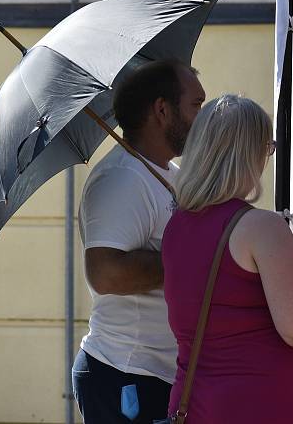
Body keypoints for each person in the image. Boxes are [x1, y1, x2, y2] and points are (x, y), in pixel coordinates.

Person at [162, 95, 293, 424]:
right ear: (248, 153)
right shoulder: (260, 227)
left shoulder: (176, 228)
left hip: (199, 402)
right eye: (267, 147)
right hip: (264, 404)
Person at [72, 59, 206, 423]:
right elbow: (105, 274)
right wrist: (190, 259)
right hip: (125, 374)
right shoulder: (119, 179)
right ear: (162, 110)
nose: (203, 117)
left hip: (158, 373)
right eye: (196, 105)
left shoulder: (169, 174)